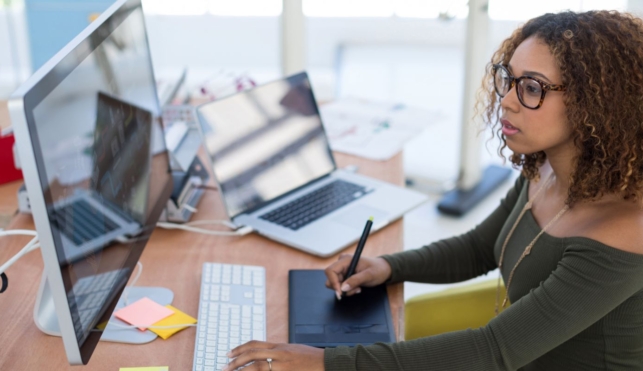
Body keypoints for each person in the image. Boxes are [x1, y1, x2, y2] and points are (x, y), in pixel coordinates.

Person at [223, 10, 643, 371]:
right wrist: (388, 267)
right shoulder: (549, 168)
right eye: (508, 79)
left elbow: (491, 351)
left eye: (532, 88)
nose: (507, 102)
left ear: (596, 104)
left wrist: (324, 362)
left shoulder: (627, 229)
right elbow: (483, 246)